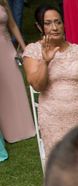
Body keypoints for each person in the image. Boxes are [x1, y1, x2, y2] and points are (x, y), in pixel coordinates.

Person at [23, 5, 78, 161]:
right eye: (48, 23)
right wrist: (45, 62)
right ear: (39, 27)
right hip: (54, 120)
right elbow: (38, 86)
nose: (54, 27)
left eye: (58, 22)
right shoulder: (33, 51)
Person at [0, 0, 35, 144]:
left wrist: (23, 46)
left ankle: (25, 128)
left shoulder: (3, 2)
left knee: (16, 85)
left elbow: (13, 25)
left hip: (7, 48)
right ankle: (7, 131)